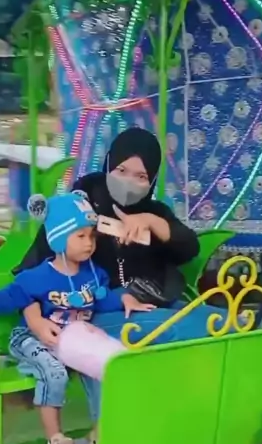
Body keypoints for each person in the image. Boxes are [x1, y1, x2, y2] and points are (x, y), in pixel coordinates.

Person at [0, 191, 150, 444]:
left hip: (69, 340)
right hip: (30, 337)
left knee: (104, 365)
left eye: (92, 236)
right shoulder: (37, 277)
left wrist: (124, 298)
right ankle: (55, 440)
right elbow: (13, 296)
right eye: (80, 236)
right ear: (58, 238)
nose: (89, 243)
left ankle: (103, 430)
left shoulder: (94, 275)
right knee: (53, 371)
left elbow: (101, 300)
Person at [16, 126, 227, 345]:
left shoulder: (155, 211)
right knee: (174, 326)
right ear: (109, 165)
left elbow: (189, 248)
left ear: (152, 179)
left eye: (141, 176)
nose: (129, 182)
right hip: (96, 311)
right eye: (122, 170)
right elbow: (27, 274)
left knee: (224, 320)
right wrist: (35, 321)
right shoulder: (75, 209)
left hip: (155, 299)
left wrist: (150, 222)